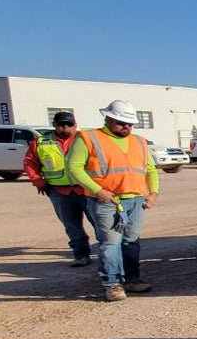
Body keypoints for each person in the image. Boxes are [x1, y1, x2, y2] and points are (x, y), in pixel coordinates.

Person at [68, 100, 159, 302]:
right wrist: (97, 190)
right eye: (121, 123)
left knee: (131, 242)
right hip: (106, 201)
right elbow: (74, 168)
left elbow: (150, 169)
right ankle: (113, 283)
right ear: (108, 119)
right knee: (111, 243)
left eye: (129, 124)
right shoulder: (89, 138)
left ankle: (132, 279)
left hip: (135, 200)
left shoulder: (139, 141)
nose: (126, 127)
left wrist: (153, 193)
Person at [22, 111, 94, 267]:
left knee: (100, 223)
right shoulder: (42, 143)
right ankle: (81, 255)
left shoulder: (85, 139)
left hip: (87, 190)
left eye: (69, 124)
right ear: (55, 125)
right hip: (59, 191)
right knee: (71, 225)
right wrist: (39, 182)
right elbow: (29, 164)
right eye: (62, 124)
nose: (66, 128)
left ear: (75, 124)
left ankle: (110, 256)